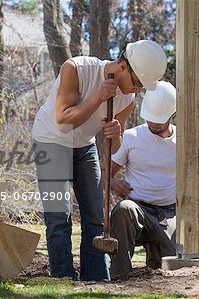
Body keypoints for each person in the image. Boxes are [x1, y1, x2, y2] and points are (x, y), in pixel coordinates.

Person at [32, 40, 167, 281]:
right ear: (123, 67)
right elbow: (63, 121)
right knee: (59, 216)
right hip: (51, 140)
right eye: (136, 83)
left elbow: (115, 146)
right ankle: (63, 277)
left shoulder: (127, 99)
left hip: (84, 146)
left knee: (95, 216)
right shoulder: (76, 69)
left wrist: (115, 135)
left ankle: (96, 278)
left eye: (141, 88)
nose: (136, 90)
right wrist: (98, 97)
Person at [109, 81, 199, 280]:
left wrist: (195, 203)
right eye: (149, 119)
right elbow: (105, 173)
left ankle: (156, 259)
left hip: (171, 212)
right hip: (138, 210)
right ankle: (120, 275)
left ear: (172, 115)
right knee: (123, 209)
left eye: (158, 120)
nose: (153, 123)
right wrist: (114, 183)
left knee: (184, 268)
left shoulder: (185, 142)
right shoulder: (131, 137)